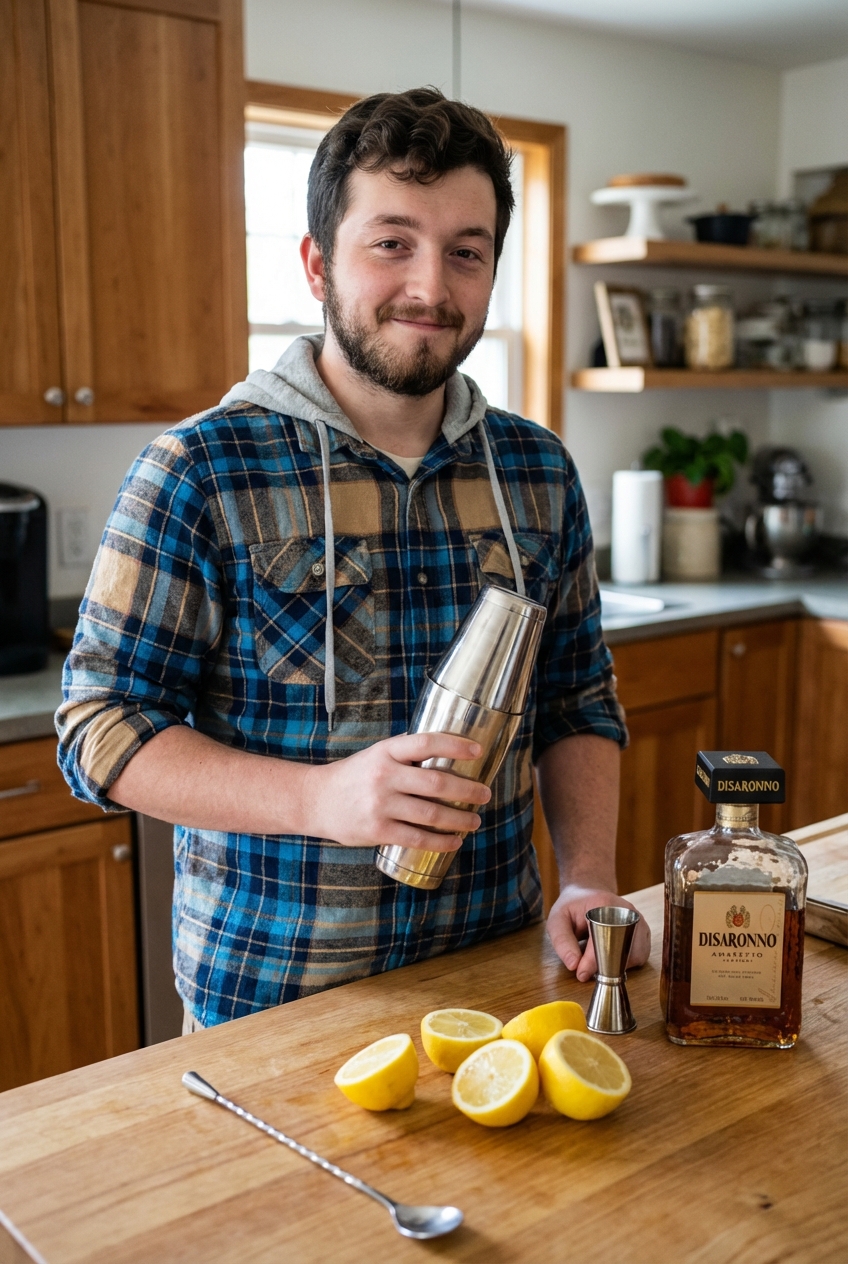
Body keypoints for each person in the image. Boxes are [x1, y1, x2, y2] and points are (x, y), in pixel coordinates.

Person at [57, 87, 649, 1031]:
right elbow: (99, 728)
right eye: (391, 242)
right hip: (274, 1000)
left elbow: (576, 698)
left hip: (497, 983)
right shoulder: (200, 468)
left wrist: (588, 877)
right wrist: (322, 797)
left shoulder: (537, 471)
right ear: (316, 263)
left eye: (468, 251)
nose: (432, 287)